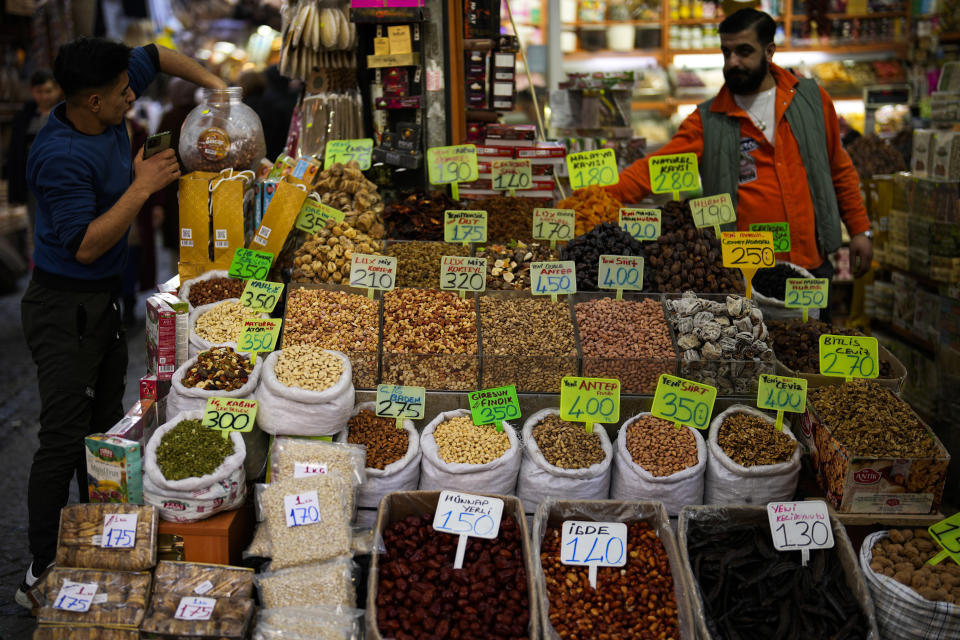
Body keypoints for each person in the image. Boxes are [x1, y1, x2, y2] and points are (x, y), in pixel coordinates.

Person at [16, 36, 225, 609]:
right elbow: (84, 245)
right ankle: (38, 572)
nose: (131, 96)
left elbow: (155, 54)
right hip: (65, 308)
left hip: (105, 301)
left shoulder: (109, 87)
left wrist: (215, 88)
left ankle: (102, 546)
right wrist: (141, 186)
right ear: (89, 103)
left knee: (104, 431)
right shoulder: (60, 156)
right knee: (62, 439)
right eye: (118, 95)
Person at [607, 8, 873, 286]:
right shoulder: (707, 120)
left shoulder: (811, 100)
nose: (732, 62)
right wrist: (596, 198)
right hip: (745, 271)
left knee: (810, 330)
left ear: (769, 52)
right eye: (726, 52)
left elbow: (839, 168)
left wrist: (860, 230)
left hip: (810, 266)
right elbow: (652, 171)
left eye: (744, 51)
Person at [6, 71, 62, 239]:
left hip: (62, 181)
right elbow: (15, 154)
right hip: (34, 185)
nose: (44, 96)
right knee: (40, 230)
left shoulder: (66, 115)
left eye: (48, 91)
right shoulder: (24, 118)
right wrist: (14, 191)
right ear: (33, 92)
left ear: (58, 90)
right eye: (40, 92)